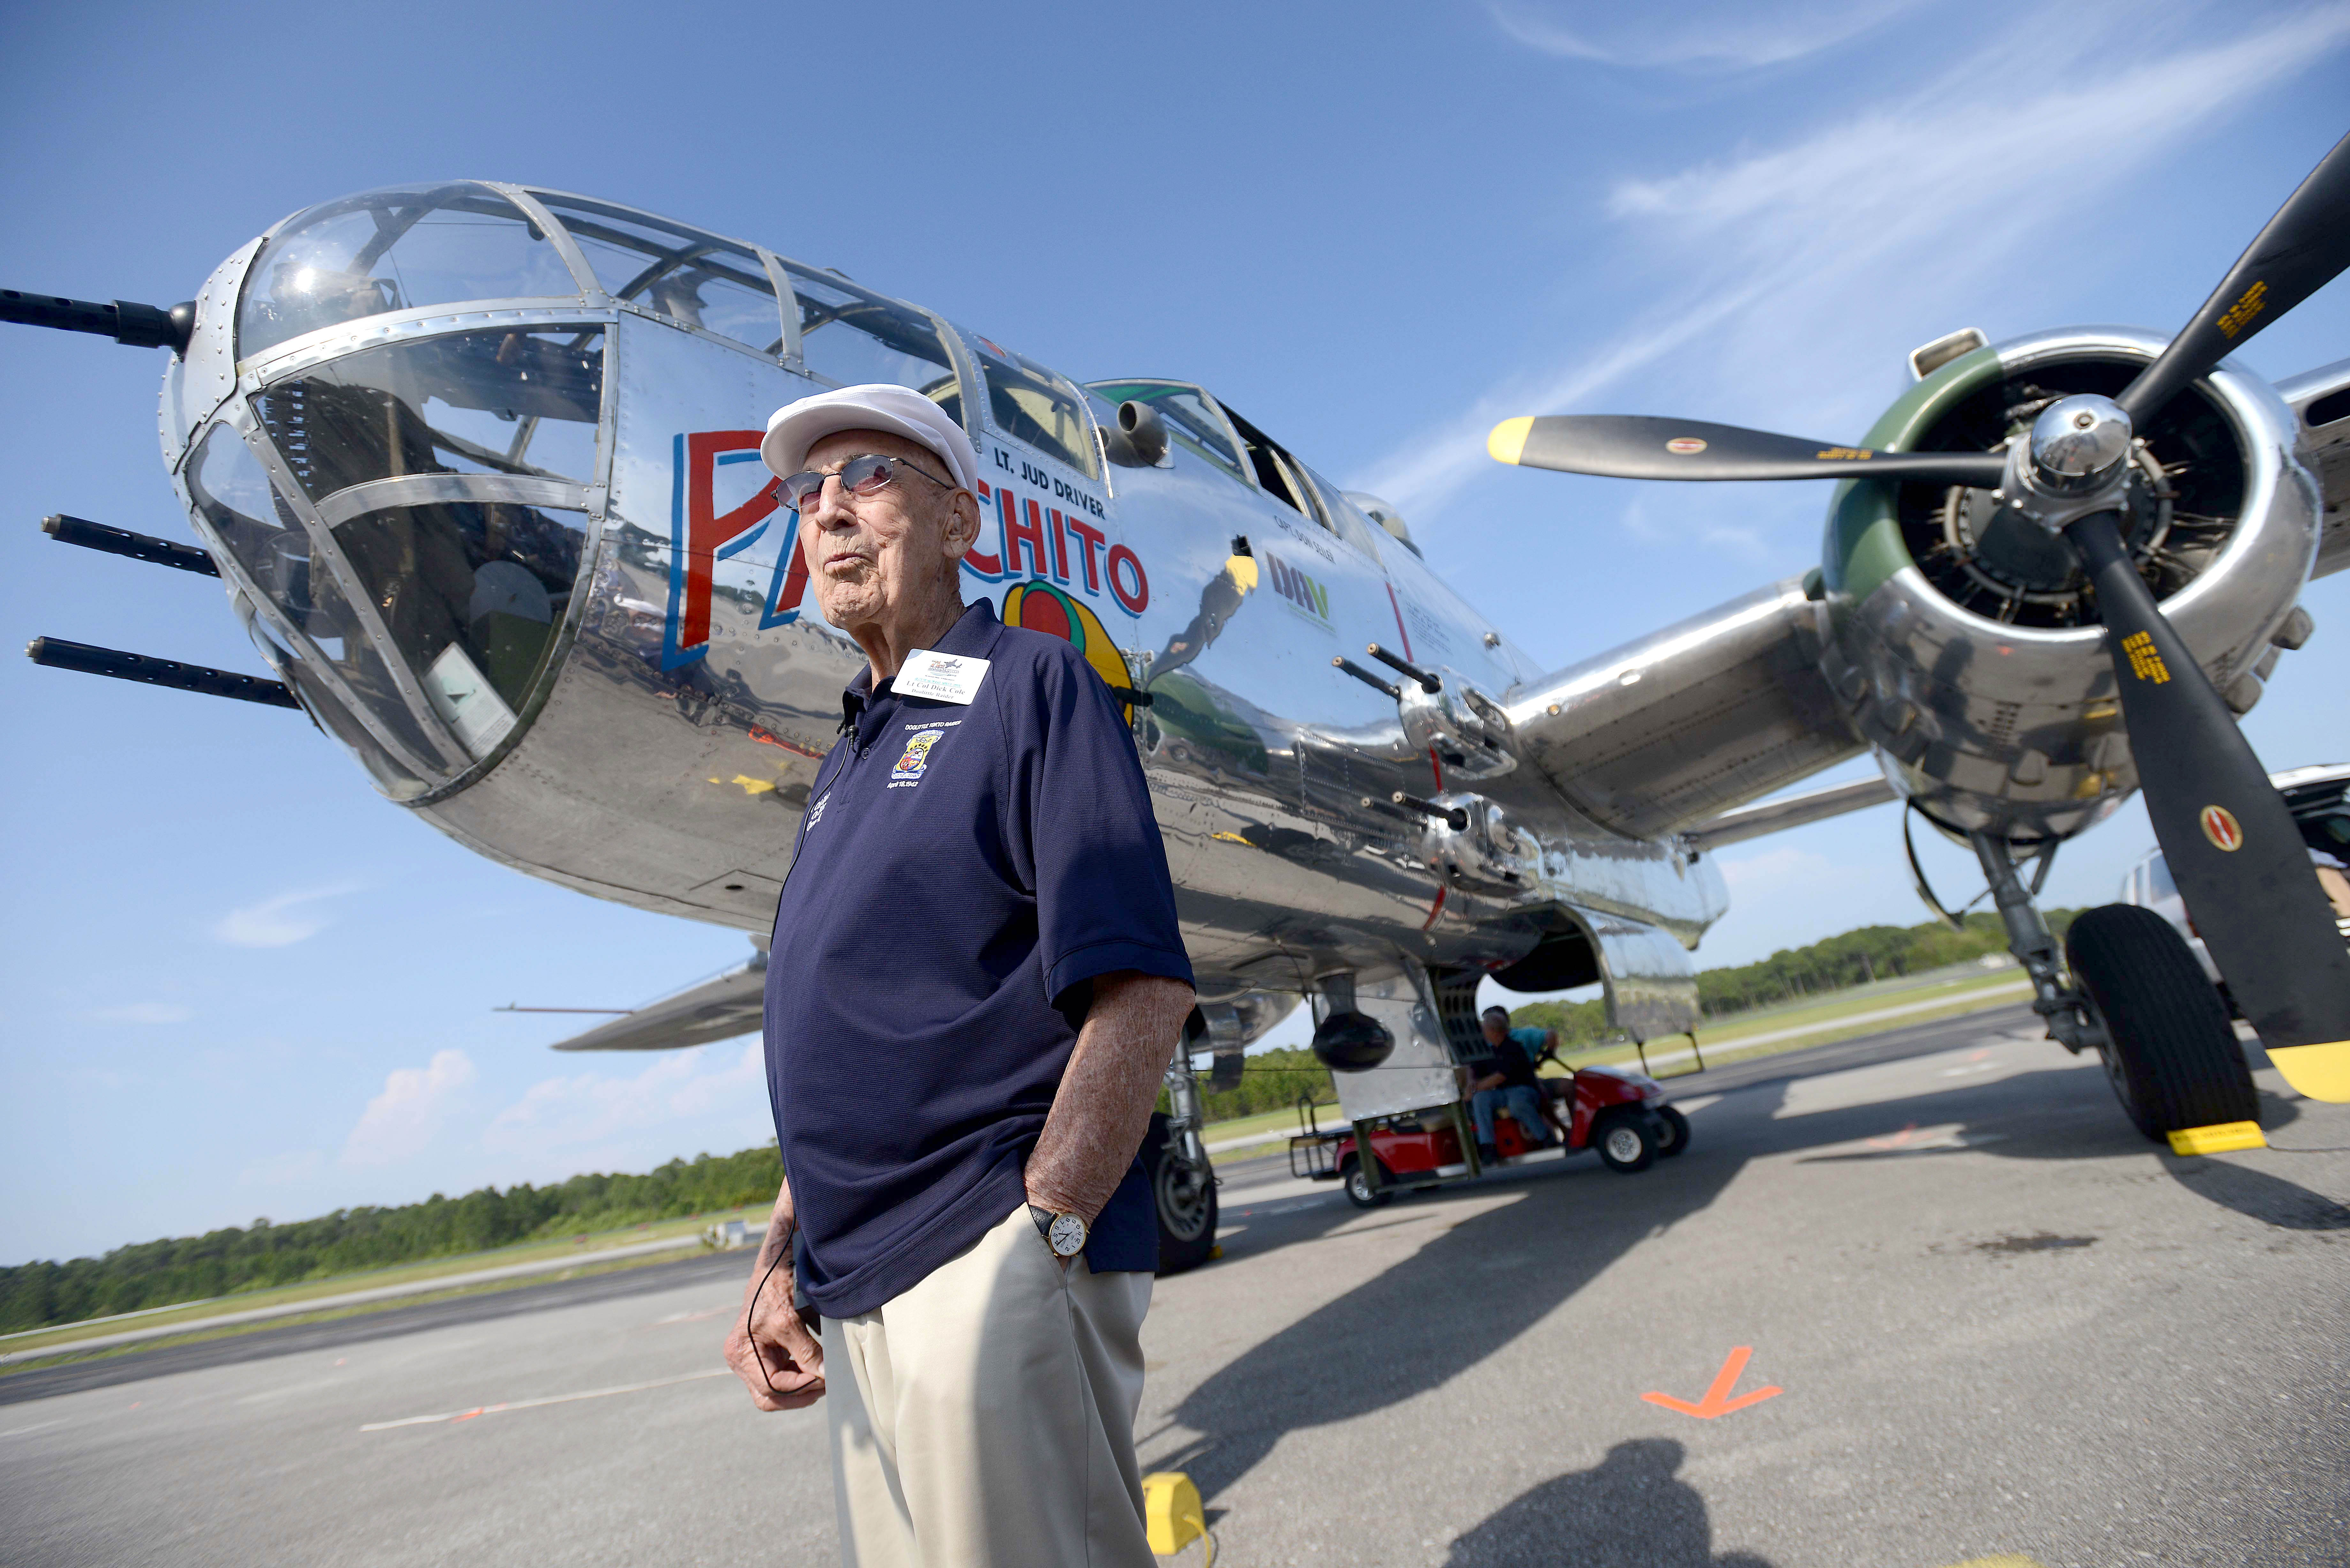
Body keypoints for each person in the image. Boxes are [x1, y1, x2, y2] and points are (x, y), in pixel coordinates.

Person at [721, 383, 1197, 1568]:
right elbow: (846, 1029)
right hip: (853, 1284)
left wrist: (1045, 1227)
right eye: (806, 493)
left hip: (980, 1255)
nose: (826, 511)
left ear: (958, 523)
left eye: (867, 477)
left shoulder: (1035, 684)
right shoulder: (850, 752)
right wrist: (781, 1261)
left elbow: (1140, 980)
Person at [1470, 1005, 1560, 1161]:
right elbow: (1475, 1069)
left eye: (1485, 1029)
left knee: (1516, 1103)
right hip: (1502, 1093)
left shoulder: (1514, 1048)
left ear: (1493, 1031)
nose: (1483, 1033)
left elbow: (1500, 1077)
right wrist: (1471, 1083)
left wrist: (1473, 1089)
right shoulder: (1490, 1051)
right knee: (1480, 1099)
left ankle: (1546, 1138)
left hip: (1524, 1089)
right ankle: (1488, 1147)